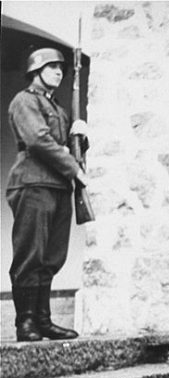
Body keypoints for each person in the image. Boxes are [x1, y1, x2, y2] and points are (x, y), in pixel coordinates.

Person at [7, 47, 88, 342]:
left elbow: (65, 146)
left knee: (51, 257)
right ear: (36, 71)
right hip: (32, 184)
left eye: (61, 68)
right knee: (31, 254)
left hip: (57, 187)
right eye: (52, 67)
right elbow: (39, 140)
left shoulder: (60, 110)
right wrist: (74, 168)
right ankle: (25, 322)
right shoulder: (24, 101)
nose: (58, 72)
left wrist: (80, 137)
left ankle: (43, 320)